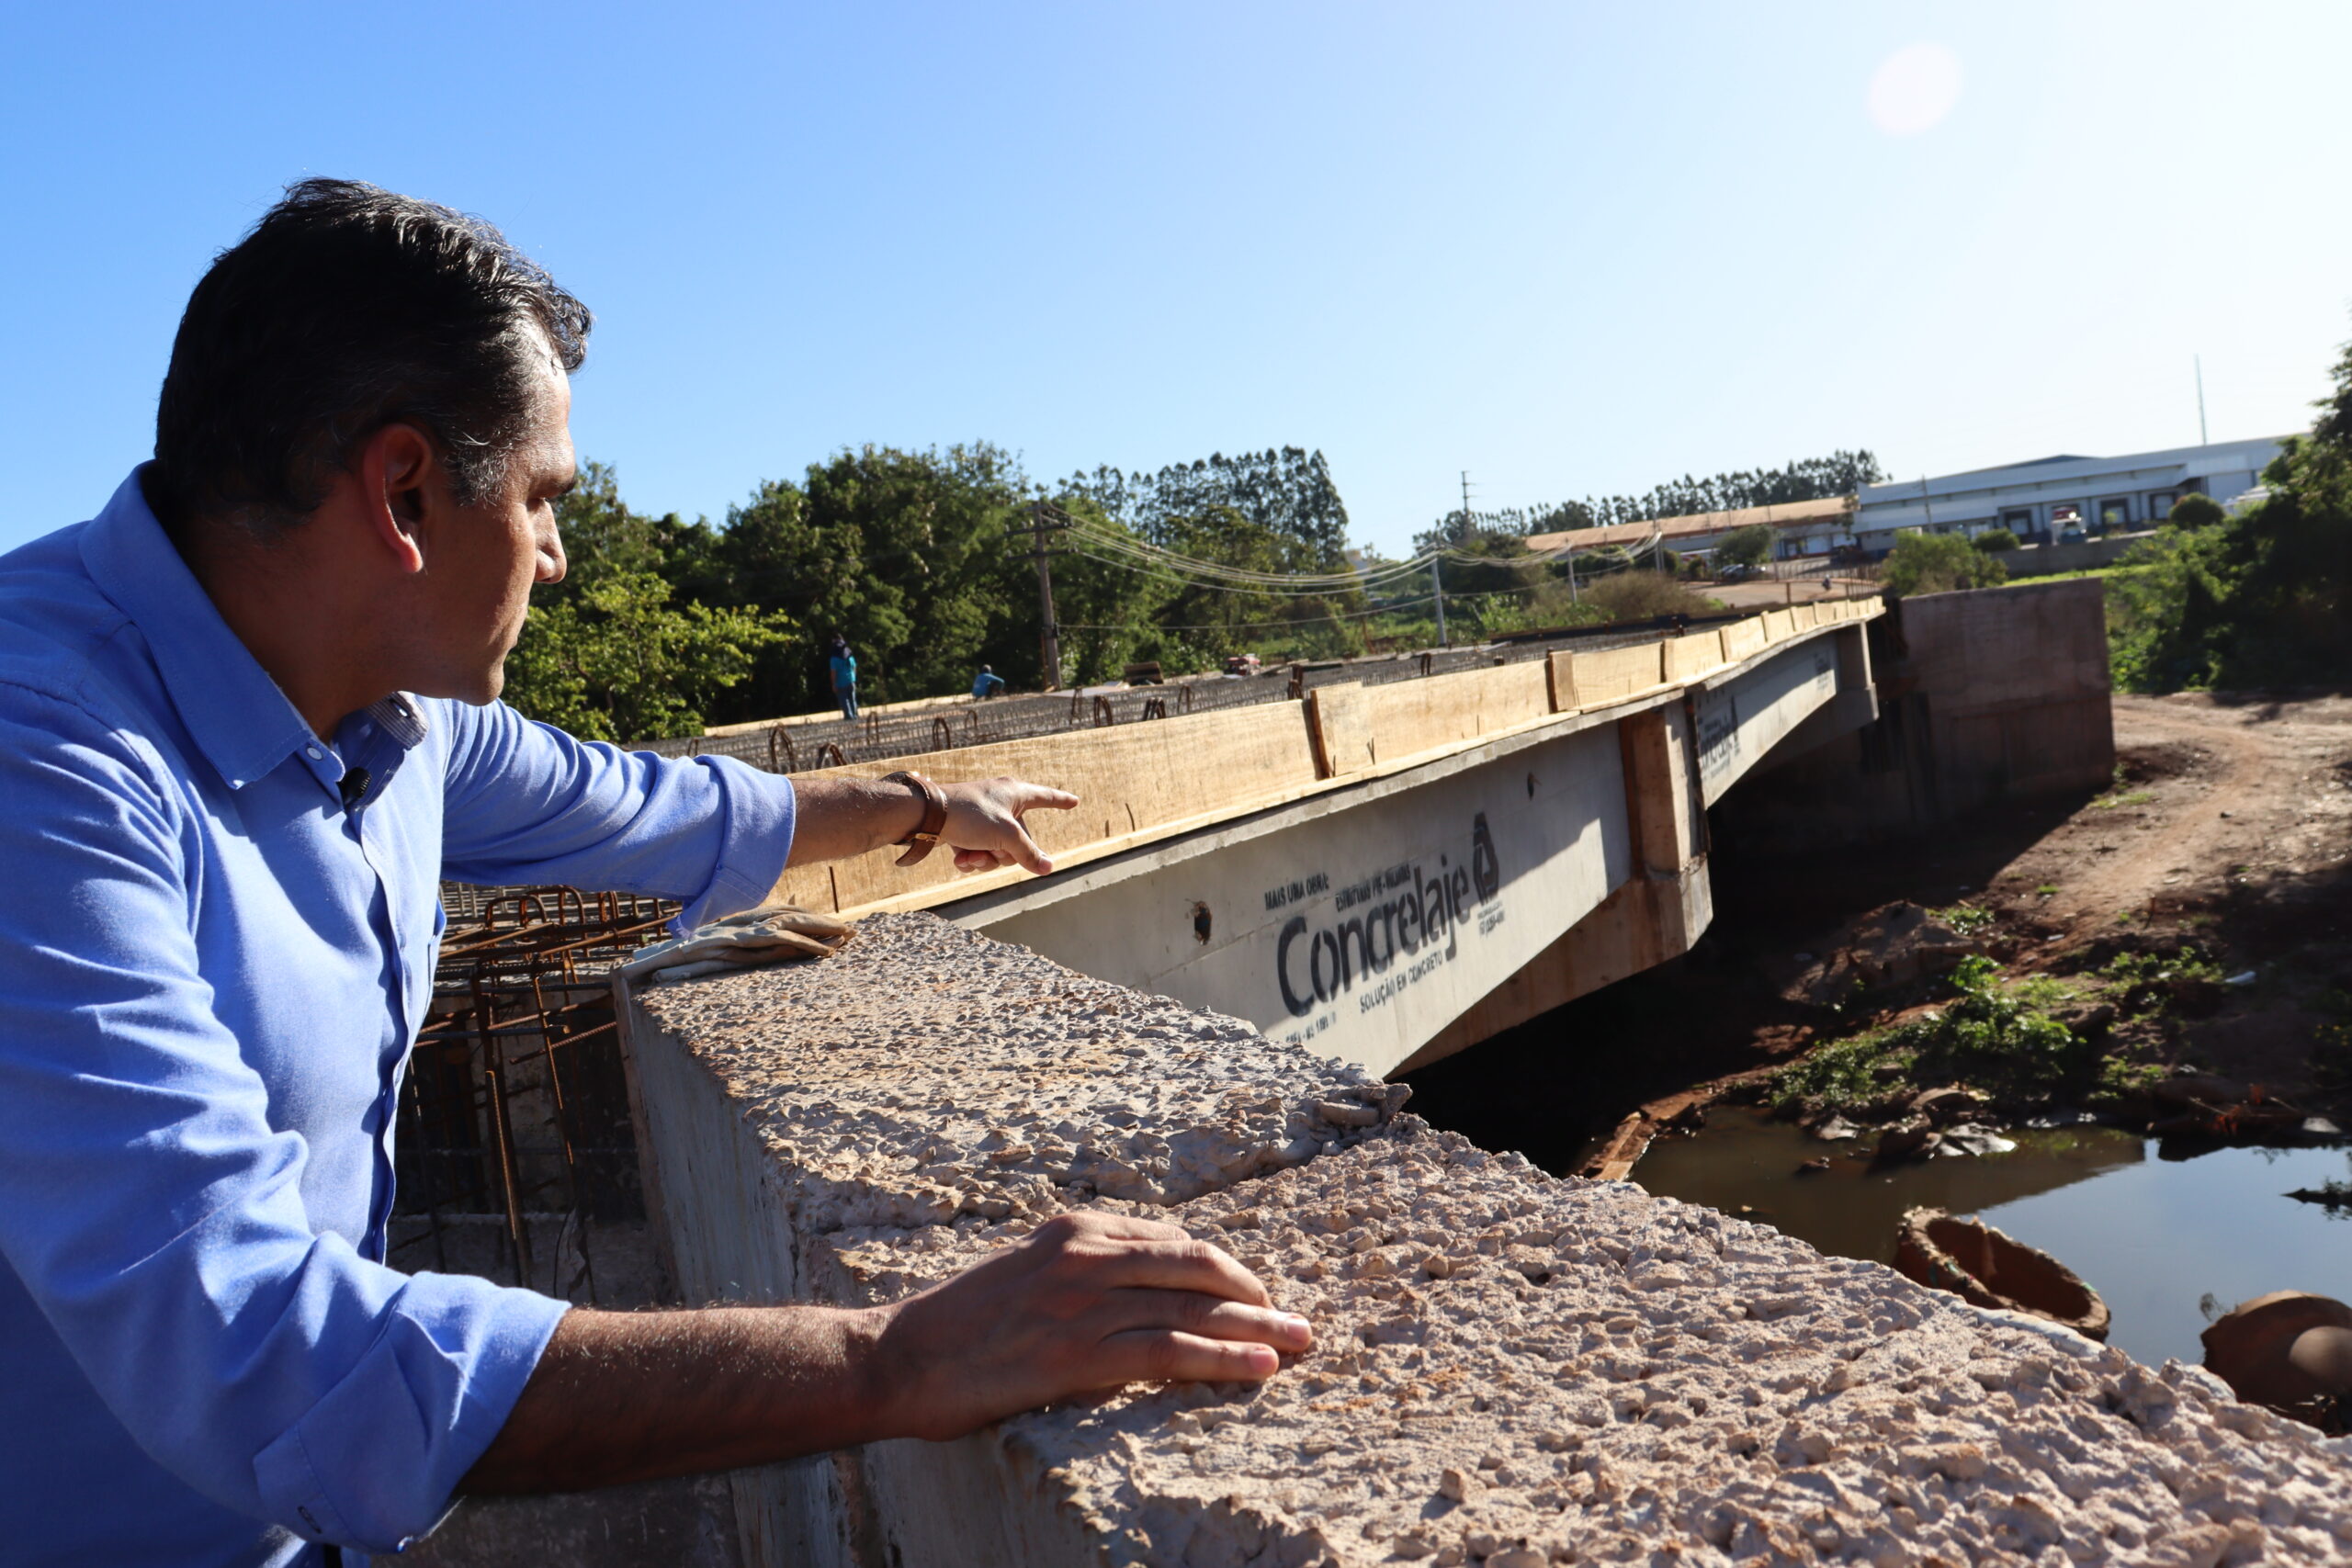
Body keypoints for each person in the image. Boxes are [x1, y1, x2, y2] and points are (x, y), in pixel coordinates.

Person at [0, 179, 1309, 1568]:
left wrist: (923, 800)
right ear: (403, 493)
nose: (557, 555)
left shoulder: (384, 713)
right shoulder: (48, 761)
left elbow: (651, 803)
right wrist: (891, 1357)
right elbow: (250, 1342)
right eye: (544, 497)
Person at [829, 633, 859, 720]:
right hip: (851, 681)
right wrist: (853, 679)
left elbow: (833, 672)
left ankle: (849, 718)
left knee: (844, 702)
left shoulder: (834, 659)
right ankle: (855, 717)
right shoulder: (849, 655)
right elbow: (854, 667)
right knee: (852, 700)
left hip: (840, 683)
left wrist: (834, 684)